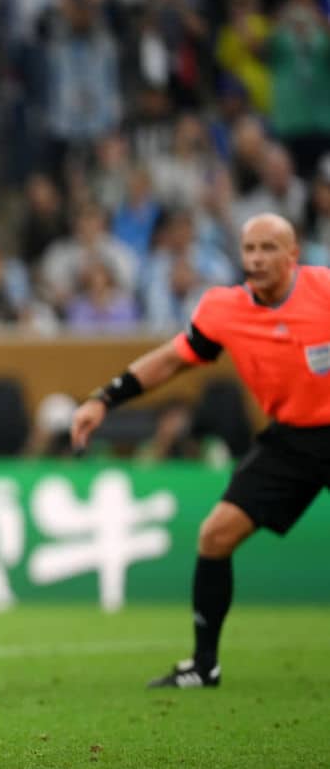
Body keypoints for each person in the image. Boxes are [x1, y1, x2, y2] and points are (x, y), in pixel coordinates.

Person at [70, 213, 328, 689]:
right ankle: (204, 665)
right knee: (215, 536)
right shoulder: (224, 309)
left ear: (293, 256)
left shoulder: (325, 290)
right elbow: (171, 360)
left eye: (268, 248)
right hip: (292, 439)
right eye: (249, 248)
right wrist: (104, 399)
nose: (255, 258)